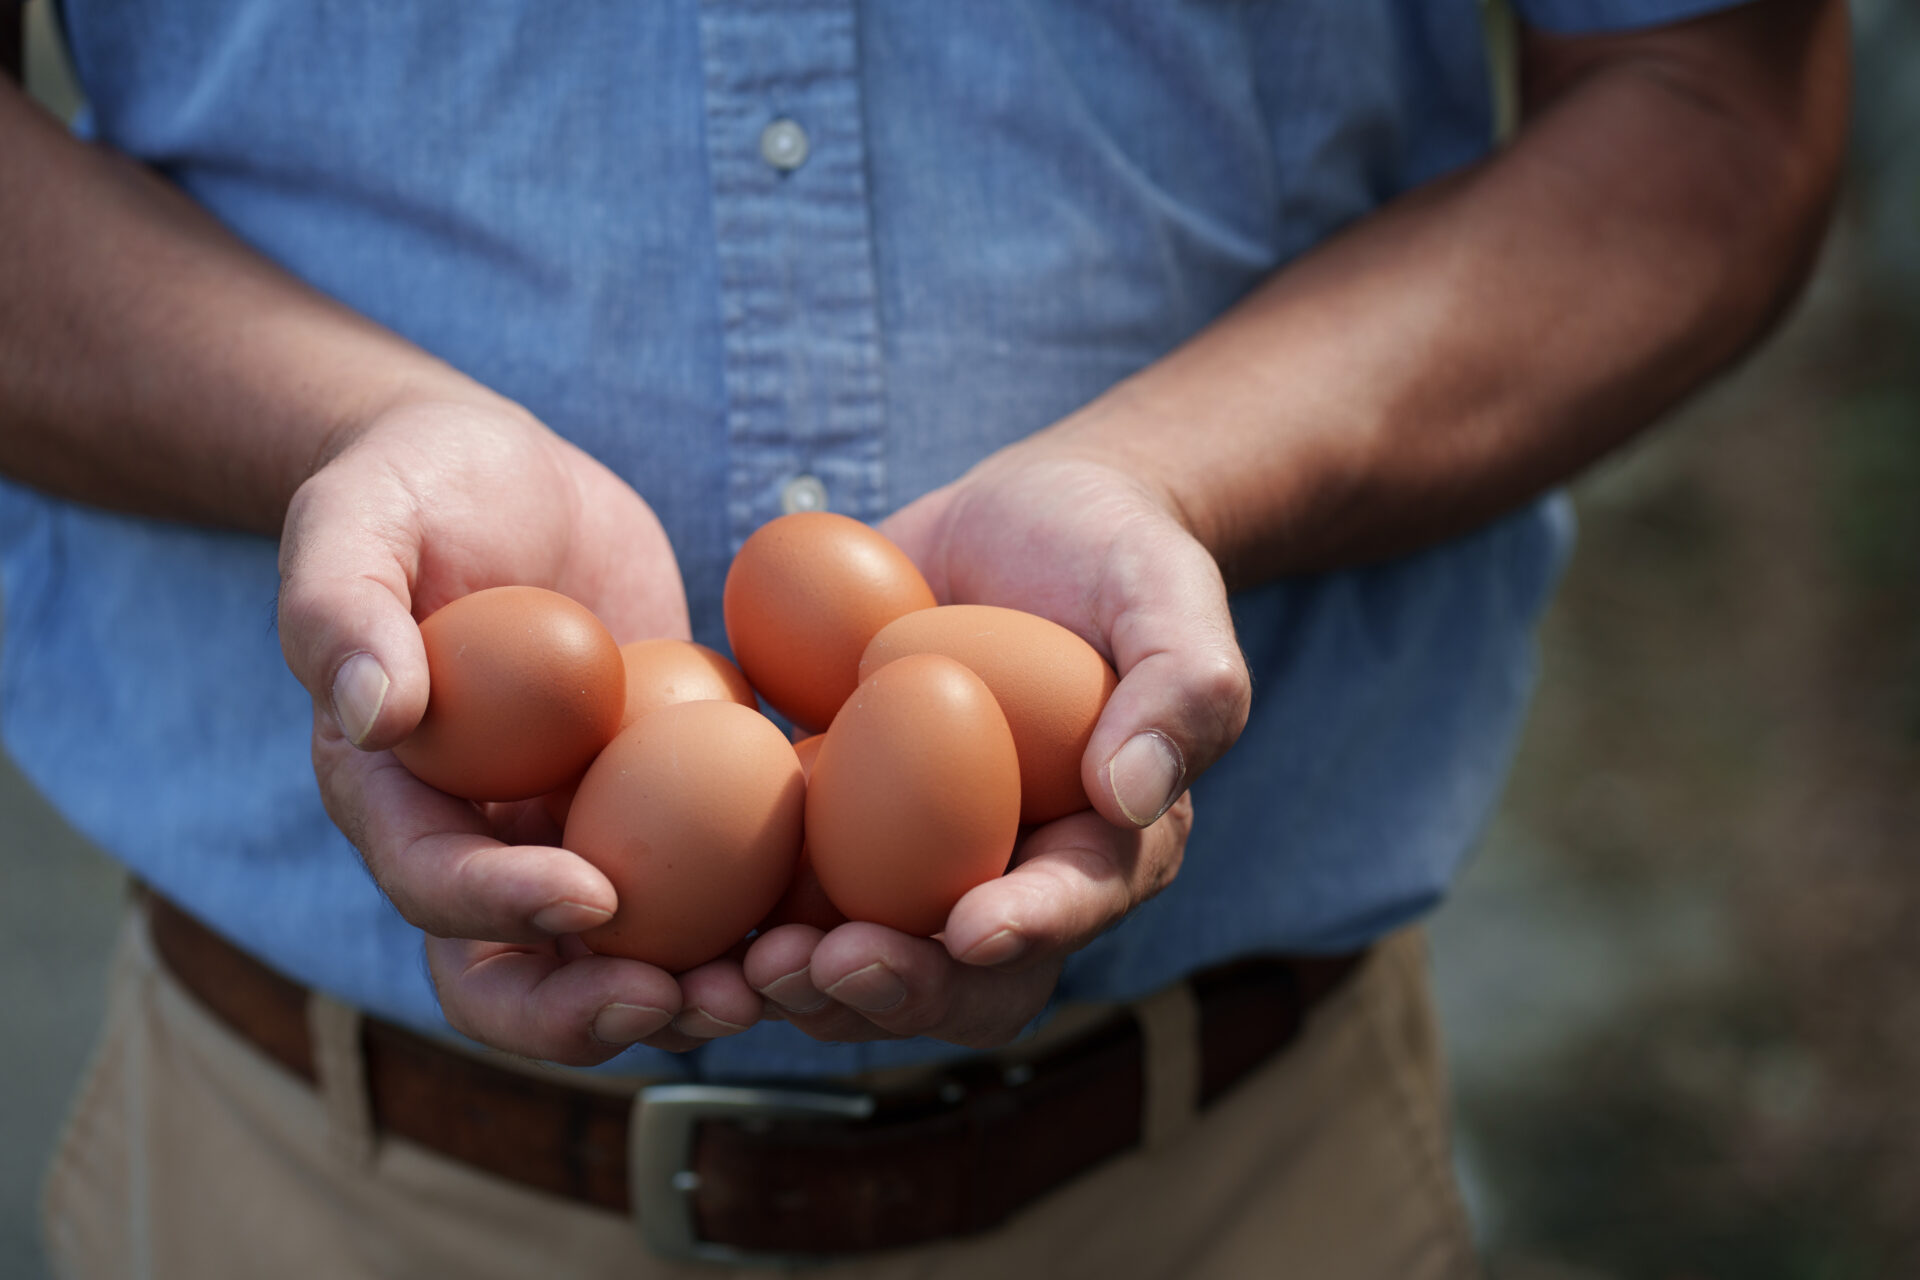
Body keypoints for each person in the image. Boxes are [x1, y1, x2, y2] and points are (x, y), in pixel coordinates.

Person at [0, 1, 1846, 1275]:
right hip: (323, 1191)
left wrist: (1177, 481)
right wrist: (340, 438)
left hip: (1229, 1191)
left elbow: (1714, 92)